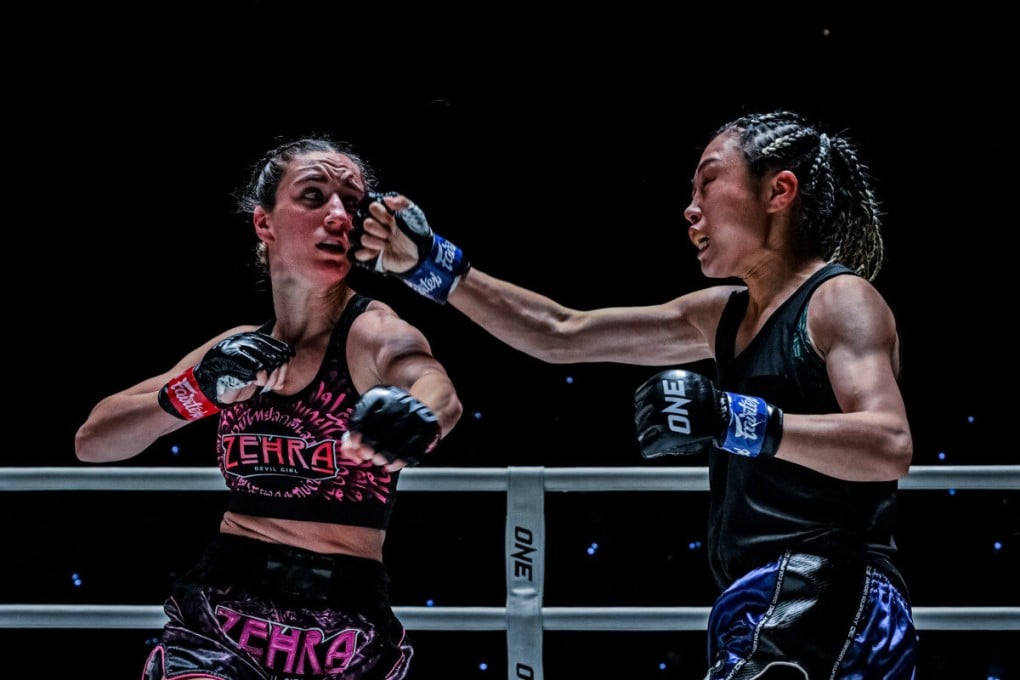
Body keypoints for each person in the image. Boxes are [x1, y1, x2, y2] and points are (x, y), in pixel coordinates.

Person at [351, 110, 918, 678]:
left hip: (829, 590)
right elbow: (560, 333)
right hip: (769, 597)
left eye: (709, 181)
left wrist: (731, 417)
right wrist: (432, 266)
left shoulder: (840, 298)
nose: (690, 207)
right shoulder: (721, 314)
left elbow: (889, 441)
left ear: (779, 190)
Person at [74, 137, 463, 680]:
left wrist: (418, 417)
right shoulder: (236, 346)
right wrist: (197, 390)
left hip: (343, 626)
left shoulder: (370, 331)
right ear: (264, 223)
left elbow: (433, 384)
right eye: (313, 195)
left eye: (351, 203)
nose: (338, 215)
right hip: (220, 614)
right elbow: (93, 441)